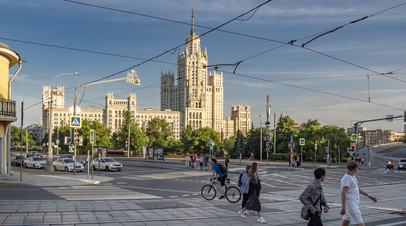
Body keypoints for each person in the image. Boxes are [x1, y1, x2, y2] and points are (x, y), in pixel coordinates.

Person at [340, 160, 377, 226]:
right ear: (355, 168)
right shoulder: (347, 178)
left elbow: (358, 189)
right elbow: (343, 192)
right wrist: (343, 207)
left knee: (345, 223)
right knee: (361, 224)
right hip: (351, 206)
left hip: (352, 204)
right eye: (357, 168)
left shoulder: (352, 176)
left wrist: (369, 195)